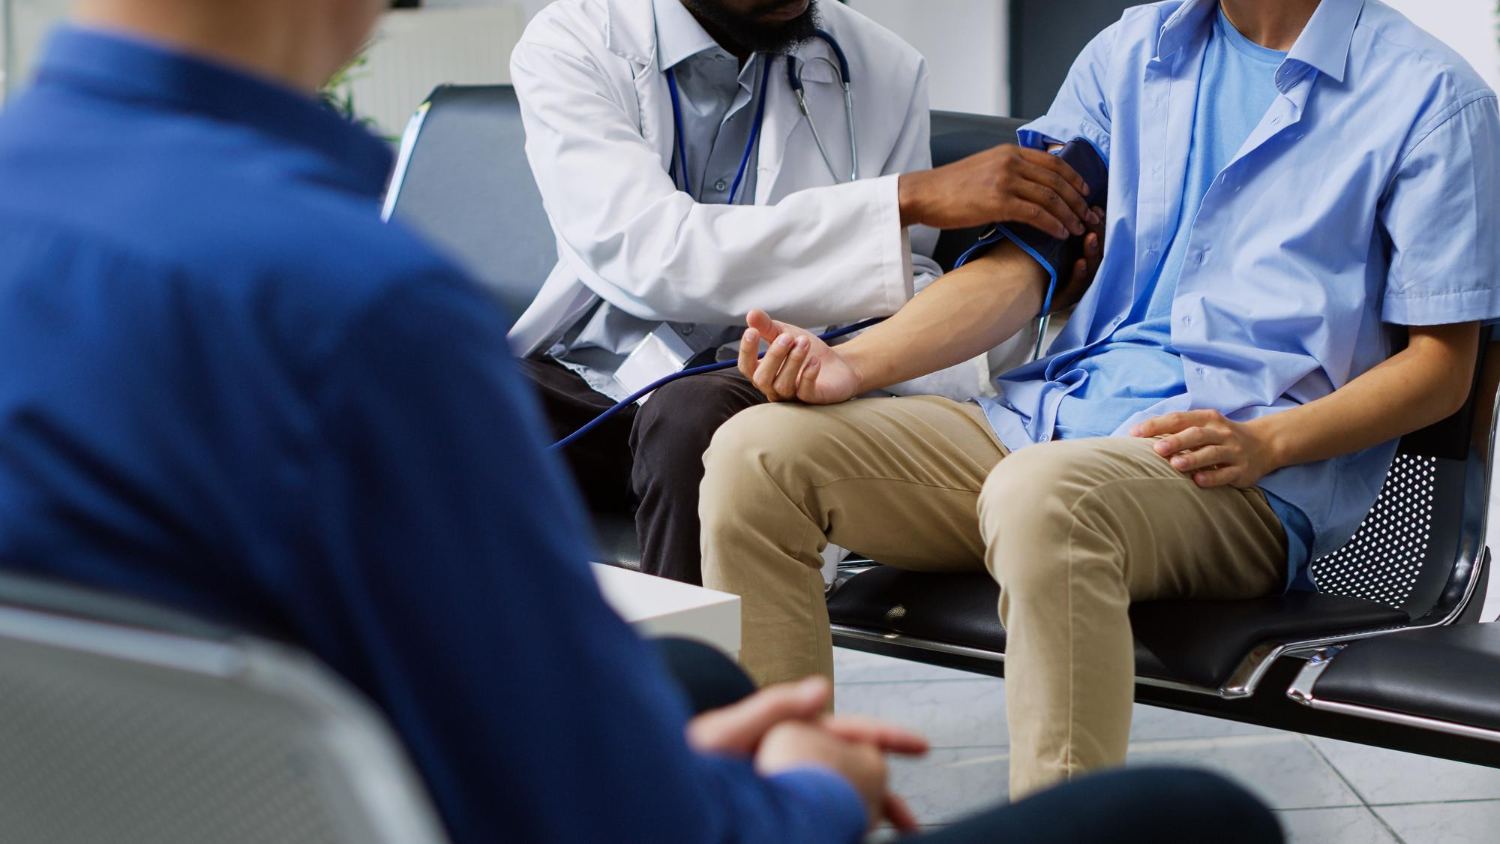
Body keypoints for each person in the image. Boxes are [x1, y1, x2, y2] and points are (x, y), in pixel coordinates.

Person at [0, 0, 1282, 842]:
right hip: (505, 697)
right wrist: (798, 795)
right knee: (1191, 820)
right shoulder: (365, 323)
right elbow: (649, 253)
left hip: (206, 793)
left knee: (696, 667)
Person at [699, 0, 1500, 801]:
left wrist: (1272, 443)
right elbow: (1021, 268)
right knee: (756, 457)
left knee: (1047, 498)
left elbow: (1442, 370)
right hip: (1048, 424)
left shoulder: (1431, 98)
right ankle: (784, 816)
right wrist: (851, 364)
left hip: (1238, 477)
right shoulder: (1132, 50)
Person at [509, 0, 1104, 584]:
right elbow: (646, 252)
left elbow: (895, 287)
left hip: (753, 383)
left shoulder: (882, 66)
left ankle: (696, 679)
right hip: (595, 383)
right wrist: (902, 198)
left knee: (693, 419)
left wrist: (1033, 299)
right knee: (440, 385)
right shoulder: (574, 42)